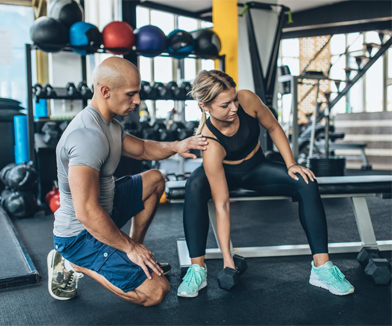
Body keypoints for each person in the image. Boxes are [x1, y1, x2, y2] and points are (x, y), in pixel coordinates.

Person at [177, 70, 354, 298]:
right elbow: (222, 206)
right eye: (225, 105)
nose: (234, 108)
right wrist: (228, 260)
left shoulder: (248, 100)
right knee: (194, 185)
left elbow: (273, 127)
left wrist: (291, 164)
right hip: (224, 173)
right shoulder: (208, 142)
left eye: (234, 100)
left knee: (305, 181)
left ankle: (321, 267)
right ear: (204, 106)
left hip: (256, 168)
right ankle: (197, 268)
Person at [48, 57, 208, 306]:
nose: (138, 101)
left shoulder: (110, 125)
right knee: (155, 292)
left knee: (155, 179)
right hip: (79, 235)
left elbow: (143, 148)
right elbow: (87, 213)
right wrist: (129, 249)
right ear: (105, 91)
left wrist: (178, 145)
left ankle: (133, 256)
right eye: (131, 94)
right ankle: (70, 262)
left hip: (106, 211)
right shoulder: (87, 136)